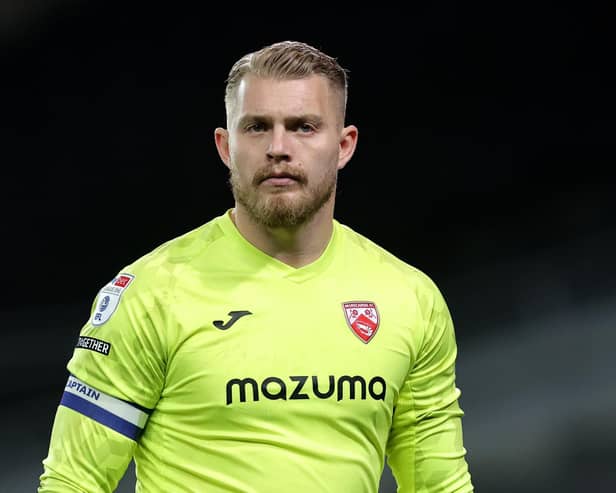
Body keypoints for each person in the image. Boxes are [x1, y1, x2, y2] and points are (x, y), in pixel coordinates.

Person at [38, 40, 474, 492]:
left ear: (344, 145)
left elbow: (440, 486)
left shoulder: (409, 299)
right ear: (226, 146)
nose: (278, 148)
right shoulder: (151, 294)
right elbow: (73, 481)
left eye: (303, 127)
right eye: (257, 128)